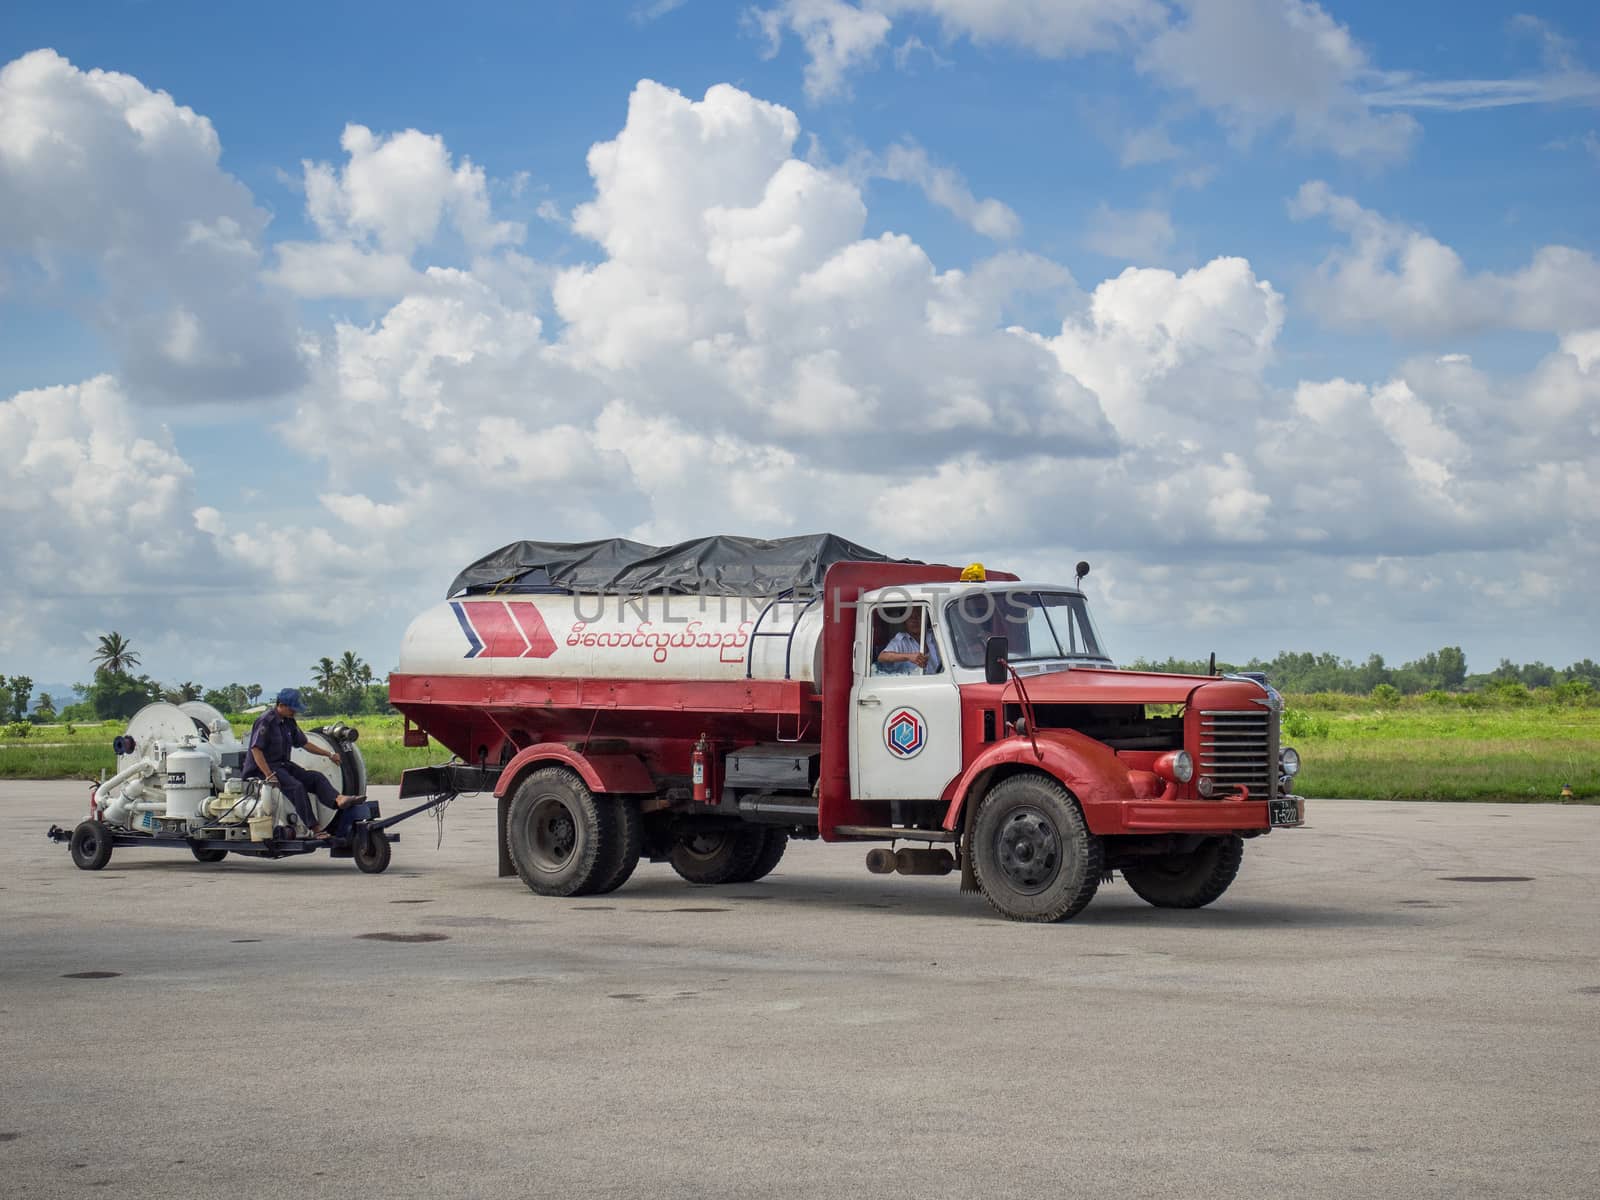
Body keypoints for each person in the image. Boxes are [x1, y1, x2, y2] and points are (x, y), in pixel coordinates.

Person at [242, 688, 361, 838]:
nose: (295, 712)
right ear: (282, 705)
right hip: (262, 768)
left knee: (315, 777)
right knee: (296, 787)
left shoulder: (289, 721)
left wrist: (329, 754)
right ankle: (315, 828)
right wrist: (268, 774)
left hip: (282, 765)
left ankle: (338, 799)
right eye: (293, 708)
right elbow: (256, 749)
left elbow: (304, 743)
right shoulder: (266, 721)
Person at [876, 608, 942, 675]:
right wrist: (909, 657)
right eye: (910, 617)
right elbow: (882, 657)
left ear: (925, 619)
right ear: (905, 622)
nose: (914, 620)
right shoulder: (901, 641)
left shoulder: (935, 635)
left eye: (918, 616)